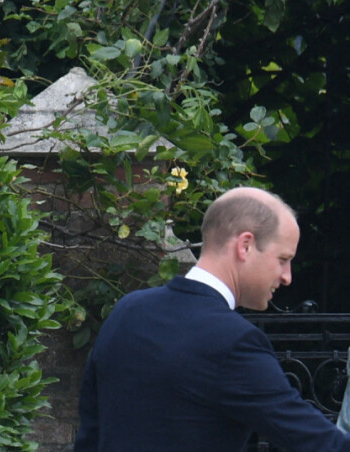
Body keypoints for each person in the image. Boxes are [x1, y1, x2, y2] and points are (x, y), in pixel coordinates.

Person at [74, 186, 350, 451]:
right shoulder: (234, 342)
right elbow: (316, 441)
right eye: (282, 259)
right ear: (245, 246)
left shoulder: (128, 311)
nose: (287, 277)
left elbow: (89, 435)